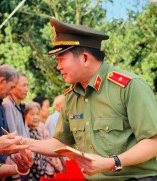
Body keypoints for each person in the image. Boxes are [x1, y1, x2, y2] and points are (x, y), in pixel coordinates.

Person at [23, 18, 157, 181]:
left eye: (61, 59)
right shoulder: (71, 97)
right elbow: (60, 144)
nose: (58, 67)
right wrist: (21, 142)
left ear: (85, 58)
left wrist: (112, 162)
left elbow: (153, 142)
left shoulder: (128, 86)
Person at [3, 73, 30, 180]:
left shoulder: (18, 106)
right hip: (16, 165)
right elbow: (13, 139)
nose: (27, 89)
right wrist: (16, 175)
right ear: (13, 87)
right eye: (23, 85)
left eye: (27, 85)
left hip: (24, 163)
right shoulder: (8, 105)